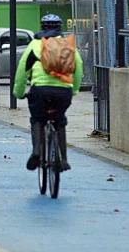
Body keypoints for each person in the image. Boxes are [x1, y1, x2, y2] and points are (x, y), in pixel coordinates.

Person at [13, 14, 83, 172]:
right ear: (60, 28)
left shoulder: (34, 45)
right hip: (63, 91)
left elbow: (22, 71)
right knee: (59, 121)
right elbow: (78, 68)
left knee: (38, 119)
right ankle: (63, 160)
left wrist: (18, 93)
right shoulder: (67, 45)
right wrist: (74, 90)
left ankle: (37, 151)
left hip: (40, 90)